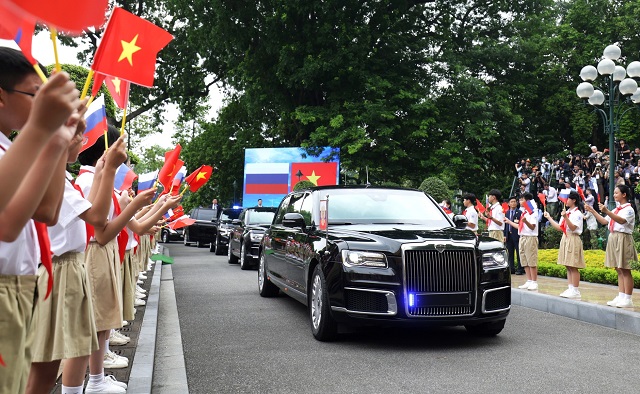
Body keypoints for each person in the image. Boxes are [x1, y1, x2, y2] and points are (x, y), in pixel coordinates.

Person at [0, 48, 83, 393]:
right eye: (35, 94)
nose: (40, 104)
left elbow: (45, 212)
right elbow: (7, 225)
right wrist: (40, 128)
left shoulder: (9, 149)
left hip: (18, 287)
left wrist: (58, 140)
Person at [25, 127, 128, 394]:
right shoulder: (55, 177)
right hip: (61, 268)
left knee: (71, 347)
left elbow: (89, 210)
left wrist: (105, 172)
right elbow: (97, 218)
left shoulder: (62, 177)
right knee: (53, 357)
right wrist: (111, 172)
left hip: (68, 265)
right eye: (77, 133)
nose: (84, 140)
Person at [585, 185, 637, 308]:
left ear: (624, 194)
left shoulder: (628, 209)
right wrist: (592, 211)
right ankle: (621, 295)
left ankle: (628, 298)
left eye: (616, 193)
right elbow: (604, 221)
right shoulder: (616, 209)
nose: (614, 195)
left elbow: (622, 221)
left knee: (625, 269)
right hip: (614, 237)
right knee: (618, 268)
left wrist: (607, 211)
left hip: (623, 238)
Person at [544, 190, 585, 299]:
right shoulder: (566, 212)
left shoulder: (577, 214)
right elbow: (559, 228)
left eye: (568, 199)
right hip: (565, 237)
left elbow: (573, 228)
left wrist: (566, 217)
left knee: (573, 265)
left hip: (573, 238)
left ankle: (575, 290)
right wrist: (549, 218)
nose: (565, 201)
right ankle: (570, 288)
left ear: (574, 200)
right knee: (568, 265)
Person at [505, 193, 539, 289]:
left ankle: (534, 281)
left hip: (530, 237)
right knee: (524, 260)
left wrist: (525, 221)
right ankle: (529, 280)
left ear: (526, 200)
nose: (519, 202)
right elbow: (519, 227)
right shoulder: (525, 212)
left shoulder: (533, 211)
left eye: (521, 200)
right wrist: (509, 222)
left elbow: (532, 227)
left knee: (531, 259)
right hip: (523, 237)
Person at [502, 196, 523, 274]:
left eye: (515, 201)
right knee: (510, 253)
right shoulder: (506, 213)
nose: (513, 203)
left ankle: (520, 269)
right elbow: (505, 225)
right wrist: (505, 235)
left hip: (517, 235)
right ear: (508, 204)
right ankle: (511, 268)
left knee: (519, 252)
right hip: (509, 235)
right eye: (512, 202)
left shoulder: (520, 212)